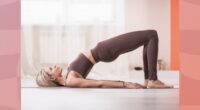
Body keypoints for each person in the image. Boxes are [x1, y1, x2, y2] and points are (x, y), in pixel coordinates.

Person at [36, 29, 174, 89]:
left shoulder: (68, 78)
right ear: (52, 78)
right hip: (104, 50)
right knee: (151, 34)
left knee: (148, 39)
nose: (53, 66)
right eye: (50, 69)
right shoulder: (71, 81)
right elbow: (99, 83)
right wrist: (126, 84)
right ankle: (153, 80)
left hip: (103, 50)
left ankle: (149, 79)